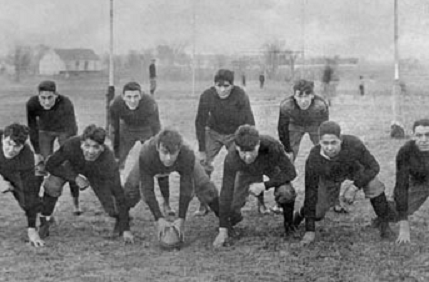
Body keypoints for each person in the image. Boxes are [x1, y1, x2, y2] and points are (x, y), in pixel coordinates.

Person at [294, 121, 395, 245]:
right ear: (319, 142)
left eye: (333, 142)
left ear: (340, 139)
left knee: (374, 184)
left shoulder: (353, 144)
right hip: (328, 177)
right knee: (318, 212)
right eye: (325, 143)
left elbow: (374, 167)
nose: (329, 148)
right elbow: (311, 191)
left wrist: (354, 187)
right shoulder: (314, 157)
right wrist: (310, 231)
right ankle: (300, 213)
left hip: (352, 170)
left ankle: (384, 224)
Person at [124, 128, 220, 246]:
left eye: (172, 153)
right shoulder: (147, 152)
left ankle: (225, 221)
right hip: (151, 160)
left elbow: (186, 187)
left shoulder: (186, 153)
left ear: (179, 149)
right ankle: (122, 222)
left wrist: (181, 219)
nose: (168, 158)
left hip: (182, 160)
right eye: (164, 152)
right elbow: (147, 189)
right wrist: (158, 218)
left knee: (205, 186)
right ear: (158, 147)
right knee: (131, 188)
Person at [40, 125, 134, 243]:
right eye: (87, 146)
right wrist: (74, 177)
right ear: (81, 143)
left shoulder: (108, 161)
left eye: (96, 147)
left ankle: (123, 219)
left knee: (112, 208)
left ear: (102, 148)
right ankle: (45, 221)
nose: (90, 151)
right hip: (71, 168)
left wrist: (126, 229)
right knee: (52, 184)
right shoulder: (71, 144)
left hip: (96, 174)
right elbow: (50, 165)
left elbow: (118, 193)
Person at [212, 125, 298, 248]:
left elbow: (291, 172)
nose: (247, 157)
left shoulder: (272, 145)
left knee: (286, 192)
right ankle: (232, 222)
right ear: (237, 147)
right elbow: (226, 190)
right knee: (230, 206)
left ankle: (289, 227)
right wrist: (222, 230)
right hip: (246, 172)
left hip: (270, 167)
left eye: (251, 151)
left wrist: (265, 185)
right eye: (243, 152)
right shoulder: (231, 157)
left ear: (258, 145)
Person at [195, 69, 263, 216]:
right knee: (201, 166)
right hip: (213, 132)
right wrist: (201, 149)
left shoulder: (240, 95)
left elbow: (249, 119)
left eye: (226, 86)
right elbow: (199, 121)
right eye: (219, 86)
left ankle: (260, 202)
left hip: (235, 133)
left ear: (232, 85)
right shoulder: (207, 96)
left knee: (248, 163)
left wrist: (249, 144)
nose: (222, 90)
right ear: (214, 85)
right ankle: (204, 203)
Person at [109, 82, 171, 213]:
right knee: (115, 164)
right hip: (126, 129)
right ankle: (118, 199)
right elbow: (115, 129)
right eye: (129, 97)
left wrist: (158, 149)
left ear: (141, 96)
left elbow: (156, 128)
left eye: (135, 96)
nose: (132, 100)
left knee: (160, 166)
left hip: (146, 129)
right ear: (123, 97)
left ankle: (166, 203)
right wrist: (116, 154)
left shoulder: (150, 103)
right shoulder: (115, 104)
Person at [276, 79, 331, 213]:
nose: (304, 100)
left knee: (328, 155)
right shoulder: (286, 106)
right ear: (294, 96)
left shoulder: (321, 105)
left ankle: (333, 199)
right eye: (300, 95)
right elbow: (282, 129)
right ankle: (280, 200)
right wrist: (288, 150)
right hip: (295, 125)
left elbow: (325, 129)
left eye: (307, 95)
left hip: (314, 125)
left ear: (313, 95)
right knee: (285, 160)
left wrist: (324, 149)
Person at [26, 80, 81, 215]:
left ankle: (76, 203)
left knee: (69, 164)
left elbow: (72, 130)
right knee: (44, 164)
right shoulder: (32, 104)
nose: (46, 102)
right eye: (42, 98)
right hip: (45, 131)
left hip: (65, 131)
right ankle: (43, 201)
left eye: (49, 97)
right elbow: (32, 128)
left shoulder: (66, 104)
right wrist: (37, 152)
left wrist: (65, 156)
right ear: (38, 96)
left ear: (56, 95)